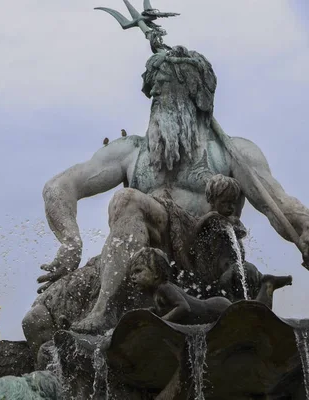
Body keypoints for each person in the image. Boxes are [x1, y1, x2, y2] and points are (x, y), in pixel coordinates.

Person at [38, 46, 309, 333]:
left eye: (167, 91)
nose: (158, 100)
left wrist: (304, 228)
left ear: (197, 97)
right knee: (39, 320)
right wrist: (70, 241)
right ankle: (104, 309)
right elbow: (58, 186)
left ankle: (106, 310)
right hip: (145, 260)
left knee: (128, 199)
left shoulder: (233, 152)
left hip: (206, 257)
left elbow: (278, 205)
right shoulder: (132, 151)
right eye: (155, 94)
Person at [129, 248, 292, 324]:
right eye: (132, 274)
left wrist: (161, 321)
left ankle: (267, 285)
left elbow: (184, 307)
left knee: (252, 320)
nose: (133, 277)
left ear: (156, 273)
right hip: (210, 311)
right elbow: (160, 311)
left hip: (215, 308)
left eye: (138, 271)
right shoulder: (157, 295)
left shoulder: (165, 288)